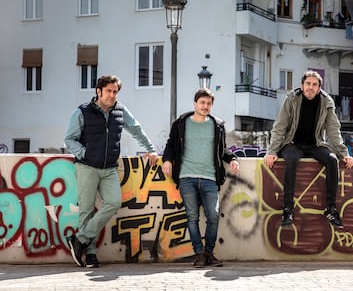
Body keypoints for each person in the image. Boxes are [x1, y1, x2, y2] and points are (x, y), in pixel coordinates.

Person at [64, 75, 158, 268]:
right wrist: (84, 153)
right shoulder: (83, 111)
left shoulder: (120, 111)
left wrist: (150, 149)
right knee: (87, 211)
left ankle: (79, 239)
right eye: (108, 91)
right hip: (87, 167)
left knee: (114, 202)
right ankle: (90, 254)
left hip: (109, 169)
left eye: (115, 92)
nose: (112, 95)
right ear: (98, 91)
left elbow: (136, 129)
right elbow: (69, 139)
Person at [264, 70, 353, 228]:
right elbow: (279, 127)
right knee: (291, 159)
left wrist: (344, 154)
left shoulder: (326, 102)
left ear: (319, 88)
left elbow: (333, 130)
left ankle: (330, 209)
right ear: (302, 85)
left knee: (332, 161)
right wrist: (272, 151)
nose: (310, 87)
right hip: (292, 143)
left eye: (314, 85)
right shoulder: (292, 99)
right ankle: (288, 209)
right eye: (308, 84)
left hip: (315, 144)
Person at [161, 88, 239, 268]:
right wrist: (166, 160)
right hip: (186, 176)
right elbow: (171, 145)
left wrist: (233, 159)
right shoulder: (181, 123)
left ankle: (209, 253)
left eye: (209, 103)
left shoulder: (217, 125)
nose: (205, 106)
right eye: (202, 103)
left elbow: (223, 150)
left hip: (210, 177)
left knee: (213, 215)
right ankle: (199, 254)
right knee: (192, 217)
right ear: (195, 104)